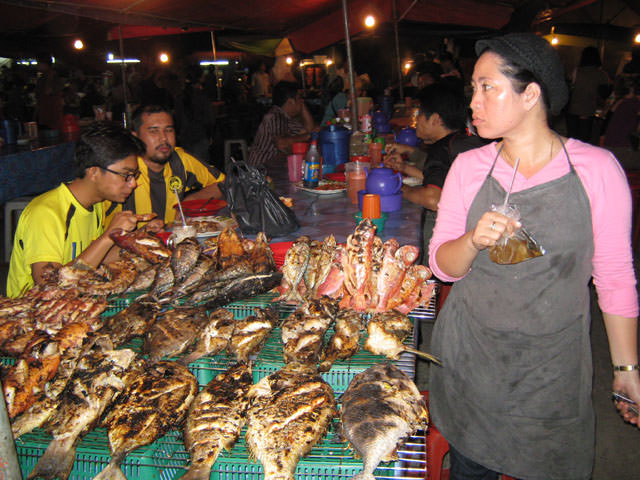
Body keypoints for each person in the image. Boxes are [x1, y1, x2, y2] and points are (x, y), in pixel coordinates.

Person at [427, 33, 640, 480]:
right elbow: (442, 266)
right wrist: (473, 240)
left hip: (552, 371)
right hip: (473, 364)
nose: (473, 102)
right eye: (473, 89)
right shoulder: (468, 166)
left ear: (531, 94)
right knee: (471, 466)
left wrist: (626, 368)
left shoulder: (596, 170)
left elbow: (616, 276)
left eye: (487, 87)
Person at [7, 122, 146, 297]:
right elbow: (50, 286)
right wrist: (109, 235)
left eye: (134, 176)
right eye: (126, 175)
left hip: (76, 304)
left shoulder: (94, 206)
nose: (133, 183)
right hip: (33, 315)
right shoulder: (46, 213)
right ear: (94, 172)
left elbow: (94, 258)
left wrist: (140, 240)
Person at [384, 81, 486, 266]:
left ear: (436, 119)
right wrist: (405, 168)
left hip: (459, 241)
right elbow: (448, 180)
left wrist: (397, 186)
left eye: (420, 114)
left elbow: (433, 200)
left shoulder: (440, 149)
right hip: (479, 229)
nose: (416, 120)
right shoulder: (467, 140)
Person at [103, 105, 225, 226]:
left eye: (168, 130)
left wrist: (190, 202)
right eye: (154, 131)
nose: (163, 138)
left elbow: (225, 184)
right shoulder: (121, 171)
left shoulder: (181, 160)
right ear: (135, 137)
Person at [248, 81, 315, 170]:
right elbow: (281, 143)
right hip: (260, 171)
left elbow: (309, 129)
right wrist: (304, 137)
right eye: (299, 98)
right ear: (290, 102)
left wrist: (301, 106)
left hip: (272, 168)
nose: (302, 101)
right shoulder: (274, 116)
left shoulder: (286, 117)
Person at [566, 46, 610, 143]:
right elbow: (604, 94)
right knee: (584, 141)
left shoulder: (576, 71)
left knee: (571, 140)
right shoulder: (601, 75)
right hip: (589, 110)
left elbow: (568, 87)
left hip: (573, 110)